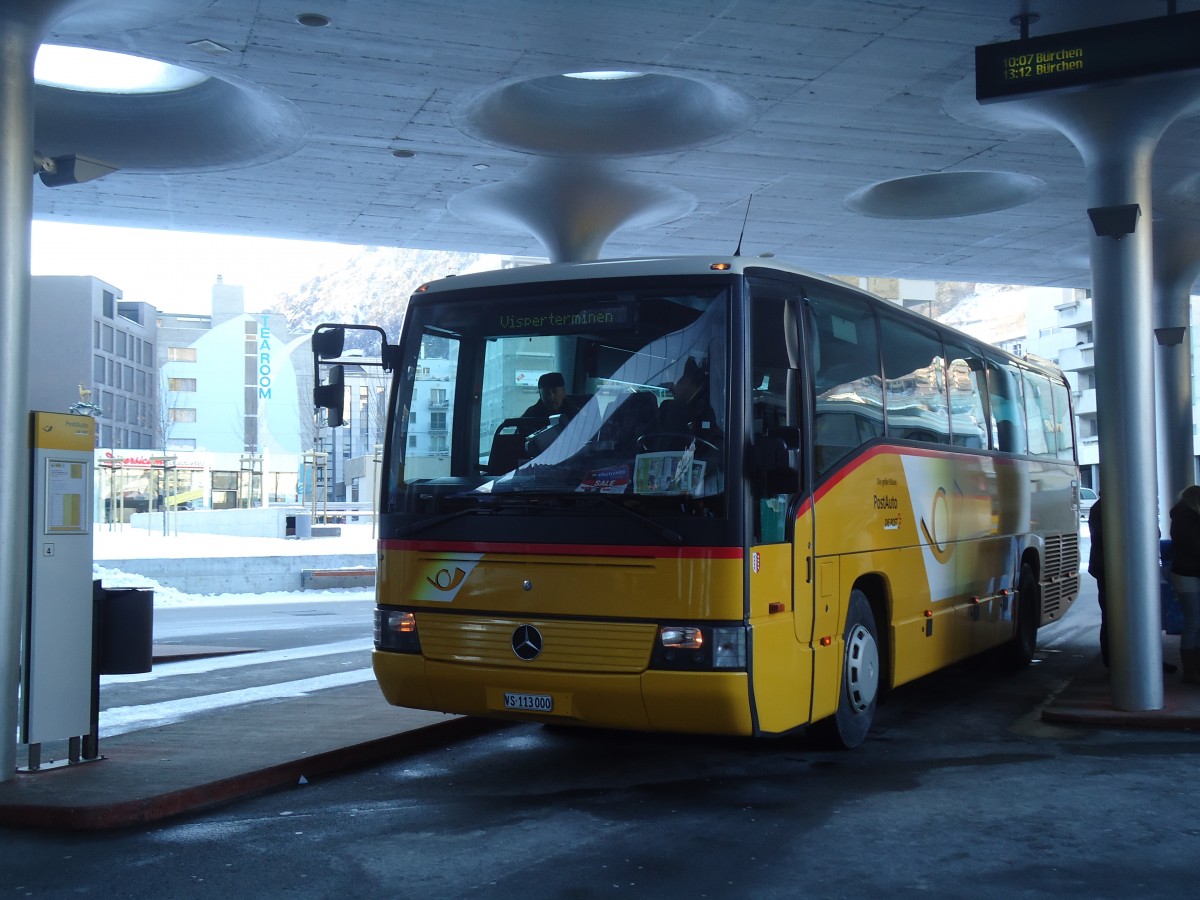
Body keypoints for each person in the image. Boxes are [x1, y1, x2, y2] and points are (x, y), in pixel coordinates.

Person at [1169, 485, 1200, 683]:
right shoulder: (1186, 519)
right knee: (1194, 622)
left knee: (1194, 621)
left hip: (1185, 573)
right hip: (1188, 573)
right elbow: (1195, 546)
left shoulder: (1182, 518)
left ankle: (1191, 670)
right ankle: (1190, 671)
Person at [1088, 498, 1110, 668]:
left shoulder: (1099, 507)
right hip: (1110, 568)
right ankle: (1112, 660)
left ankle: (1111, 660)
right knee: (1112, 616)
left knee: (1109, 616)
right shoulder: (1107, 508)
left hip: (1104, 567)